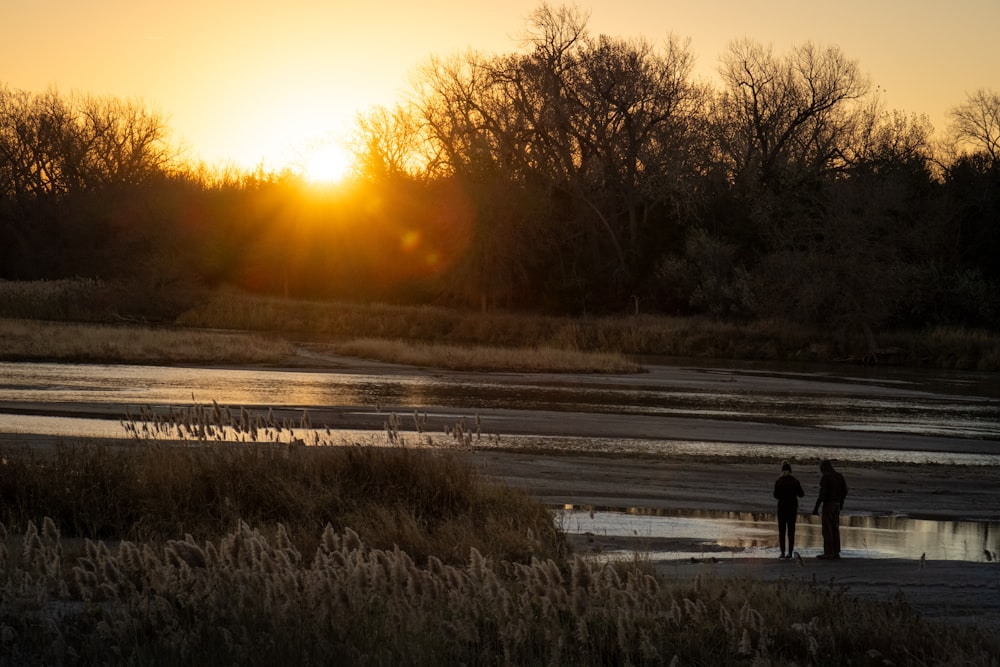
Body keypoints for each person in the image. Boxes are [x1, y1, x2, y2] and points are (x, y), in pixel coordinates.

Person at [812, 459, 848, 559]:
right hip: (837, 505)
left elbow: (822, 494)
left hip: (829, 505)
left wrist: (816, 508)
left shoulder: (826, 477)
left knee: (827, 529)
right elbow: (845, 491)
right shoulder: (839, 476)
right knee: (835, 528)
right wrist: (841, 503)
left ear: (824, 468)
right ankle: (836, 552)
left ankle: (828, 552)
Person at [773, 461, 804, 559]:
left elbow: (776, 495)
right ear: (790, 471)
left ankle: (782, 552)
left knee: (782, 532)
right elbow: (801, 494)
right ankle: (790, 553)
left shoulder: (779, 481)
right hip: (792, 508)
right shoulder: (795, 481)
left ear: (782, 471)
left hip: (782, 508)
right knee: (791, 532)